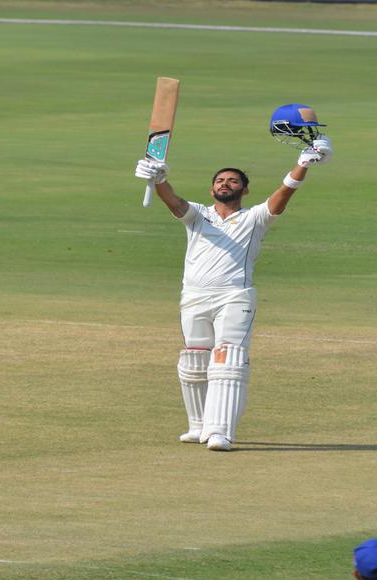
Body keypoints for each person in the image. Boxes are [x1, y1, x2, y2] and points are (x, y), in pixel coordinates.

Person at [133, 104, 333, 451]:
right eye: (220, 181)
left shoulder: (255, 218)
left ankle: (220, 431)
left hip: (234, 297)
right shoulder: (198, 216)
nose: (226, 184)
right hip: (194, 295)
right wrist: (158, 177)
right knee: (194, 359)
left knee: (227, 360)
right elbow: (173, 202)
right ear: (212, 190)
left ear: (244, 189)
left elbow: (282, 197)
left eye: (233, 181)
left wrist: (303, 164)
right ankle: (198, 426)